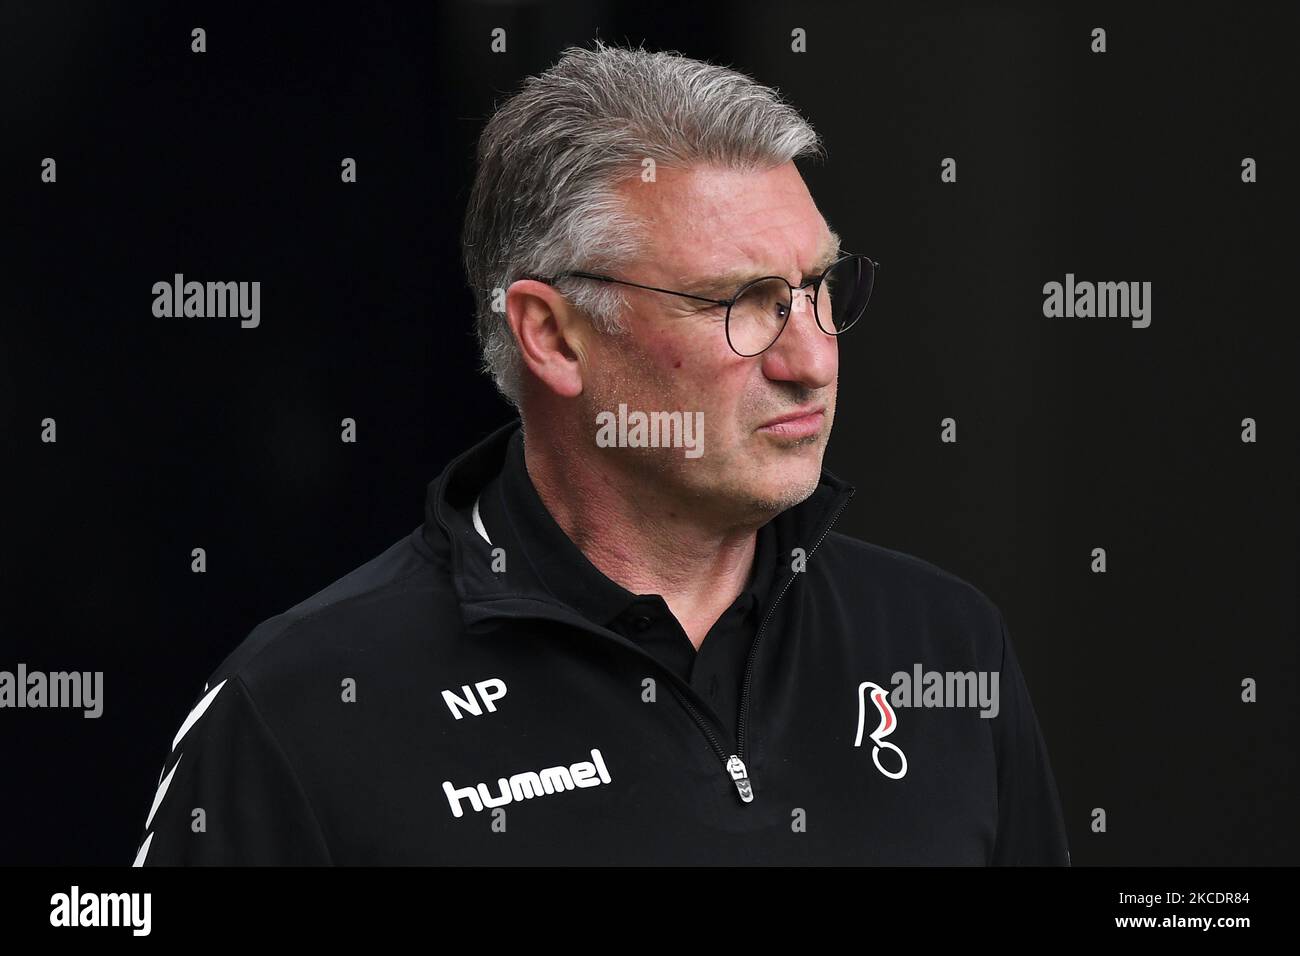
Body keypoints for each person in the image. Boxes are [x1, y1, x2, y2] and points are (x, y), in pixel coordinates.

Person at [133, 39, 1069, 865]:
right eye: (742, 302)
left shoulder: (944, 645)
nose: (813, 358)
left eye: (821, 286)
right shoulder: (303, 711)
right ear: (552, 335)